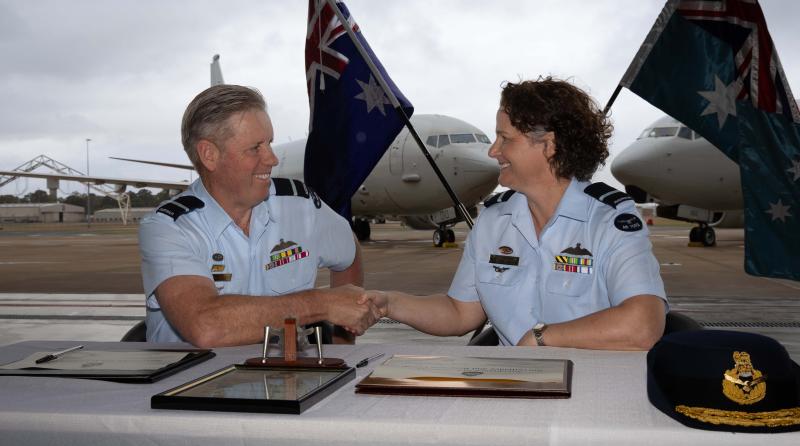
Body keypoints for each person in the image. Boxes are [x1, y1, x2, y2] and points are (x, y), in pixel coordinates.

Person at [368, 77, 667, 350]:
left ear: (548, 145)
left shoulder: (609, 222)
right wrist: (388, 303)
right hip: (513, 384)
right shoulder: (492, 222)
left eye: (505, 139)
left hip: (593, 388)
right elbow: (459, 313)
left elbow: (643, 326)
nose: (493, 151)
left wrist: (542, 338)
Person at [139, 84, 379, 347]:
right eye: (256, 148)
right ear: (209, 155)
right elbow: (206, 326)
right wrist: (323, 304)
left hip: (284, 381)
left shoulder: (301, 207)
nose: (273, 159)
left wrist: (343, 341)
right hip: (188, 384)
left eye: (270, 143)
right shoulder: (169, 228)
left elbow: (348, 250)